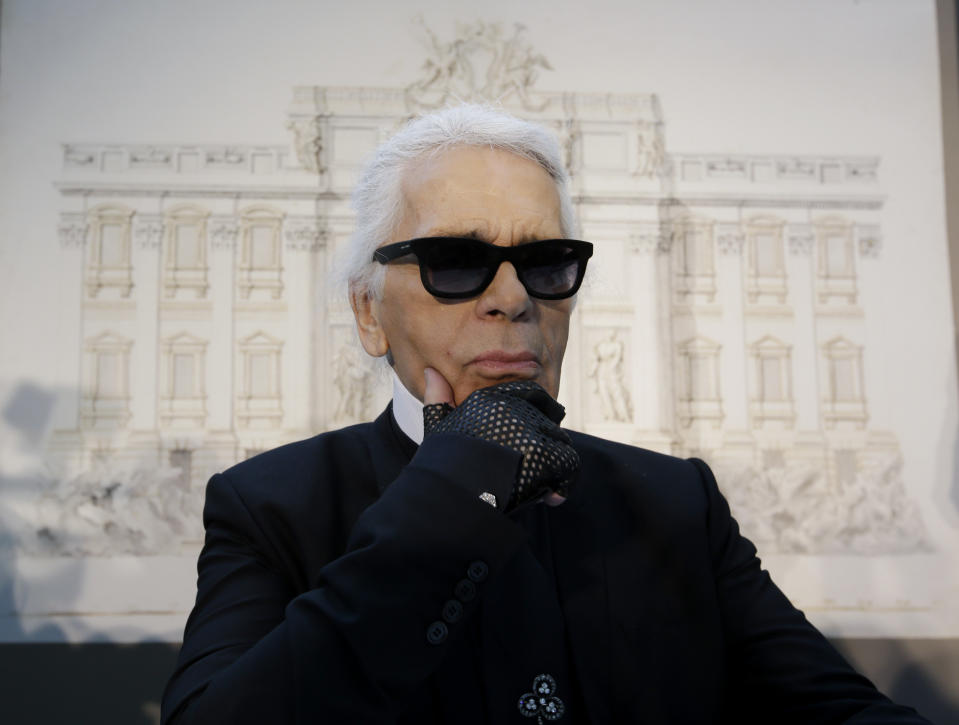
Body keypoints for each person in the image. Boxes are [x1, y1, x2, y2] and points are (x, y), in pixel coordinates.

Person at [161, 105, 930, 724]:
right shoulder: (269, 504)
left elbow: (839, 709)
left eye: (543, 261)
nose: (512, 297)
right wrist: (452, 493)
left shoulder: (675, 502)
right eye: (455, 260)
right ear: (368, 311)